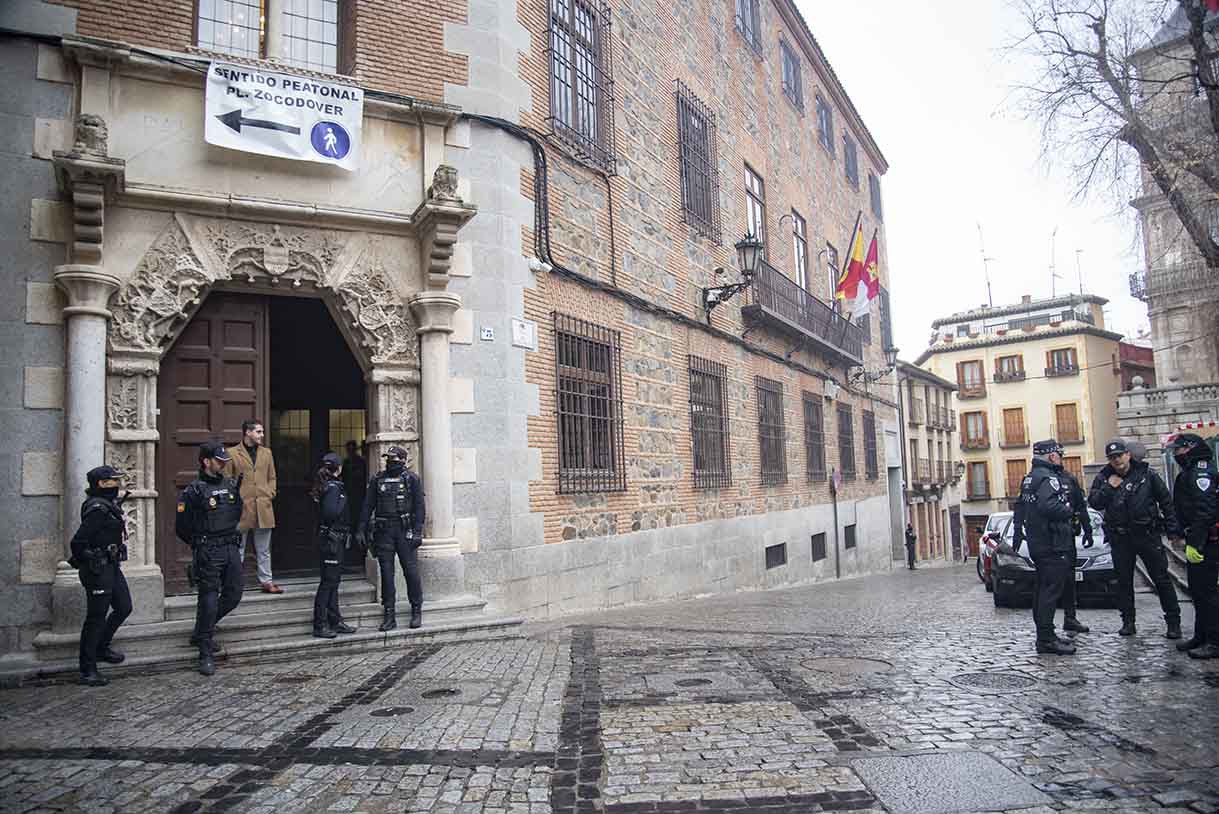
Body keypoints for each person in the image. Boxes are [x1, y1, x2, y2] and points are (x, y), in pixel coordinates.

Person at [1088, 438, 1182, 639]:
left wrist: (1173, 531)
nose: (1117, 460)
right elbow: (1094, 503)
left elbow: (1166, 502)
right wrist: (1109, 488)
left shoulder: (1147, 475)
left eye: (1120, 455)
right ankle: (1128, 622)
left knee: (1161, 579)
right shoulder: (1104, 478)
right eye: (1112, 457)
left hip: (1147, 534)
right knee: (1123, 582)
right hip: (1120, 537)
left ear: (1128, 455)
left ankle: (1173, 622)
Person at [178, 441, 244, 676]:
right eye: (219, 461)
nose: (223, 465)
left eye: (225, 461)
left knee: (234, 594)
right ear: (206, 462)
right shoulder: (193, 491)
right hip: (208, 551)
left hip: (230, 547)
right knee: (208, 600)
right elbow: (182, 527)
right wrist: (201, 544)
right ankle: (204, 651)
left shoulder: (230, 485)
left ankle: (200, 631)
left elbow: (238, 512)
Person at [68, 465, 133, 686]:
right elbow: (77, 543)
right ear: (101, 484)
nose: (118, 484)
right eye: (113, 481)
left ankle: (101, 647)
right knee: (95, 618)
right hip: (98, 569)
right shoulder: (97, 509)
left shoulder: (108, 505)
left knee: (124, 607)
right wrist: (92, 557)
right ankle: (87, 669)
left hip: (111, 567)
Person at [1011, 439, 1078, 655]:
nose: (1061, 458)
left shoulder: (1029, 478)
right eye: (1059, 454)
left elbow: (1021, 506)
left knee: (1042, 591)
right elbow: (1048, 505)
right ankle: (1046, 639)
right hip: (1052, 543)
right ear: (1051, 456)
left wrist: (1019, 530)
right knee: (1050, 592)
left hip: (1037, 541)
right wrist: (1068, 510)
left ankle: (1045, 635)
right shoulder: (1049, 478)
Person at [359, 446, 426, 631]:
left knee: (411, 572)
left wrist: (418, 531)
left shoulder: (411, 479)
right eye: (388, 459)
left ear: (403, 460)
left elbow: (419, 507)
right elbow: (368, 505)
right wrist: (361, 528)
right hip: (384, 532)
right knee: (387, 575)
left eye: (394, 460)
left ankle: (416, 610)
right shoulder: (377, 479)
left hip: (405, 531)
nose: (390, 463)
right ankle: (389, 614)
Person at [1166, 433, 1219, 659]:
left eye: (1178, 450)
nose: (1176, 454)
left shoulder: (1200, 471)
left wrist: (1195, 543)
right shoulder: (1191, 470)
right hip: (1200, 539)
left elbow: (1205, 511)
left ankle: (1215, 641)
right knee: (1197, 591)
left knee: (1207, 592)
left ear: (1189, 449)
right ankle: (1202, 635)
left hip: (1207, 541)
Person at [226, 419, 281, 594]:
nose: (262, 435)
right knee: (238, 549)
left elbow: (272, 477)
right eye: (258, 432)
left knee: (264, 550)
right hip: (242, 508)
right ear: (247, 433)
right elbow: (227, 481)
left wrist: (270, 493)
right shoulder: (232, 453)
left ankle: (266, 582)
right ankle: (234, 584)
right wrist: (235, 500)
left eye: (262, 432)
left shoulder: (267, 453)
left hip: (263, 507)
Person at [311, 452, 357, 639]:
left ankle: (335, 620)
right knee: (328, 583)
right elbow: (330, 513)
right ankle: (320, 624)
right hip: (331, 540)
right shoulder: (333, 488)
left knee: (333, 582)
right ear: (338, 468)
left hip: (331, 539)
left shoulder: (327, 485)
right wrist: (343, 500)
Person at [1058, 464, 1094, 635]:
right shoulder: (1040, 478)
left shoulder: (1070, 479)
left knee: (1069, 578)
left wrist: (1088, 530)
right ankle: (1046, 627)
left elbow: (1080, 506)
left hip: (1068, 536)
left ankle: (1070, 618)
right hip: (1049, 538)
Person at [343, 440, 368, 529]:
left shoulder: (361, 461)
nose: (350, 451)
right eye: (348, 449)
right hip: (349, 492)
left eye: (352, 449)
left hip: (359, 492)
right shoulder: (346, 462)